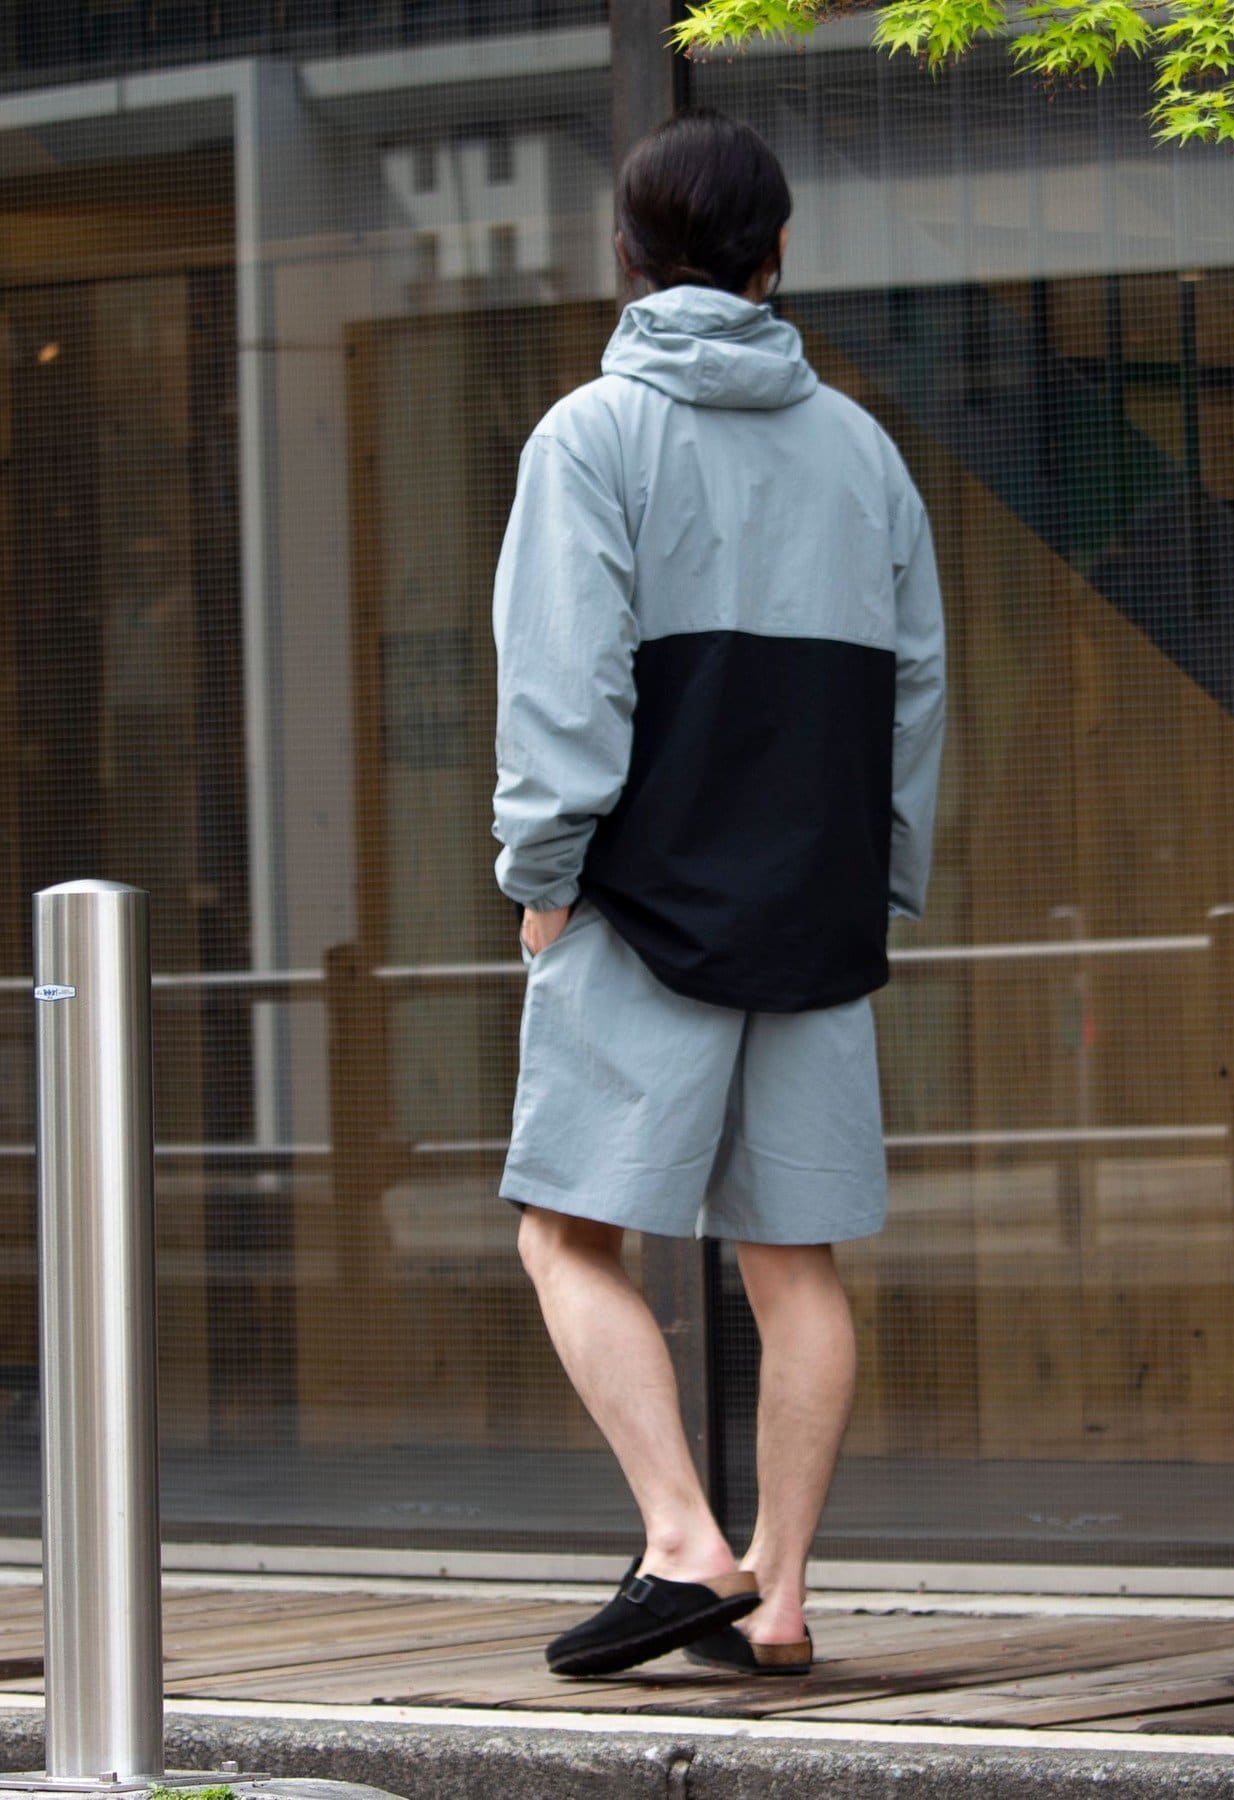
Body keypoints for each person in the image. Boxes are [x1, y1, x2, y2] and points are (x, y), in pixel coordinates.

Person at [490, 109, 945, 1679]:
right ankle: (784, 1598)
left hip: (640, 907)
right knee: (795, 1262)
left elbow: (565, 689)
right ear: (778, 252)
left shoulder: (591, 438)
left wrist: (542, 879)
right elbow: (916, 693)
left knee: (565, 1237)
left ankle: (683, 1540)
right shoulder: (865, 453)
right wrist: (880, 876)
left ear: (627, 252)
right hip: (816, 912)